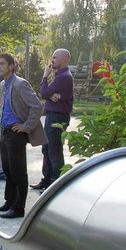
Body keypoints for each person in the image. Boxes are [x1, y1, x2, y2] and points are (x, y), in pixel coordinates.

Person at [0, 53, 46, 219]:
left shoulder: (20, 84)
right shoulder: (3, 84)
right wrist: (0, 121)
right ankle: (9, 201)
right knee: (7, 170)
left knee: (18, 172)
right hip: (4, 131)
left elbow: (36, 106)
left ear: (11, 66)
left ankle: (18, 208)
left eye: (2, 64)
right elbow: (4, 106)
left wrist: (26, 126)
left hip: (16, 134)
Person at [31, 48, 73, 191]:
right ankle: (47, 180)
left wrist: (44, 77)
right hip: (52, 116)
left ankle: (56, 184)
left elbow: (43, 92)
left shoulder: (63, 77)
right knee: (47, 148)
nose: (52, 60)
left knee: (54, 150)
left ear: (64, 60)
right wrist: (50, 95)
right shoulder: (59, 76)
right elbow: (46, 94)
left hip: (57, 117)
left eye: (55, 57)